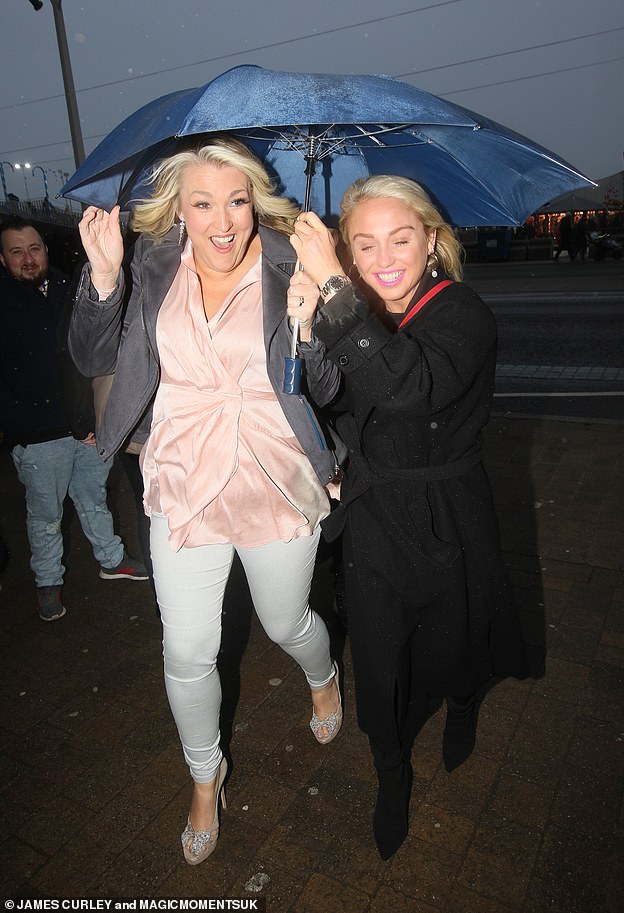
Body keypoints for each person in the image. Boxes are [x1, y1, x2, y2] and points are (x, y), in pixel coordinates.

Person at [68, 136, 344, 865]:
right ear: (177, 209)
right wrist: (102, 281)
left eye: (237, 200)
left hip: (271, 472)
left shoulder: (292, 260)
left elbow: (331, 386)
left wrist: (316, 318)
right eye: (202, 203)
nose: (223, 221)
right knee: (189, 649)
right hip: (185, 476)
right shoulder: (152, 265)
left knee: (285, 621)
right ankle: (203, 773)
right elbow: (93, 357)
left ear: (257, 200)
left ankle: (322, 675)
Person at [288, 175, 528, 860]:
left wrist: (336, 290)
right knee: (381, 651)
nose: (384, 257)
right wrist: (307, 328)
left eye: (400, 238)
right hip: (373, 512)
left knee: (457, 635)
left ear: (430, 239)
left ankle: (461, 701)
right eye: (363, 245)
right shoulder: (348, 308)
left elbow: (408, 386)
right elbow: (325, 403)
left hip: (449, 506)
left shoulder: (463, 312)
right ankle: (390, 770)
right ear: (348, 250)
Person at [0, 216, 148, 622]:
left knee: (94, 500)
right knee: (45, 516)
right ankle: (48, 582)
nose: (28, 259)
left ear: (45, 250)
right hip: (37, 434)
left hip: (84, 427)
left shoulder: (71, 286)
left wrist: (94, 419)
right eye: (16, 252)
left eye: (34, 249)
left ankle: (112, 559)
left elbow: (88, 357)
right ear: (3, 258)